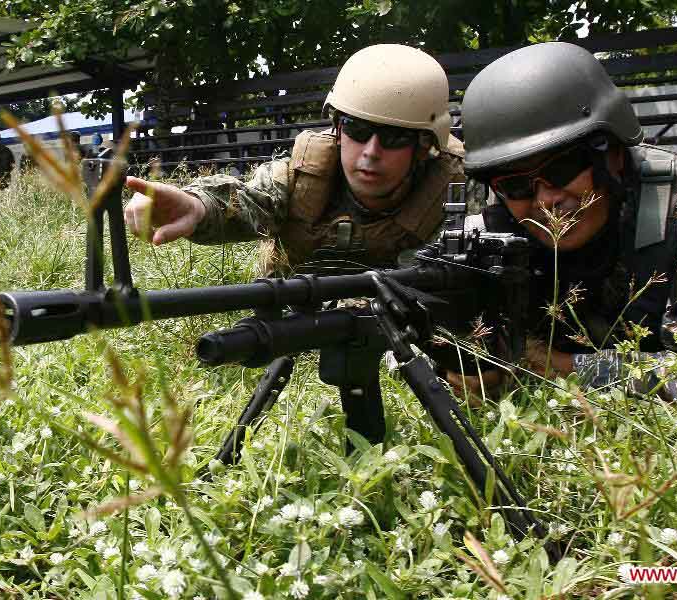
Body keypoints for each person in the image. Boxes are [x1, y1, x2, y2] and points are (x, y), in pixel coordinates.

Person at [123, 44, 465, 445]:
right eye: (356, 129)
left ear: (424, 145)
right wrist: (197, 206)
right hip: (295, 315)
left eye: (393, 137)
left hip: (398, 322)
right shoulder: (305, 175)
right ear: (337, 128)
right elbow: (250, 200)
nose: (370, 152)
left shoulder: (453, 190)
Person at [453, 42, 677, 402]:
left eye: (563, 168)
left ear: (611, 152)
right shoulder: (495, 233)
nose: (546, 199)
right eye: (515, 185)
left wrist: (566, 367)